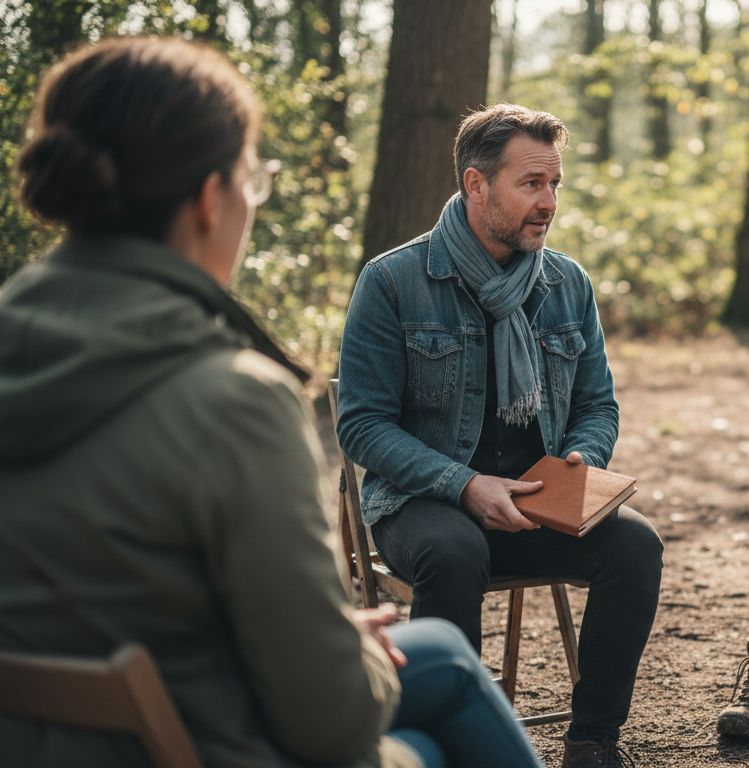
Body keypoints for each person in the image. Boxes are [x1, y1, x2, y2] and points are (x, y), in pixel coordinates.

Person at [0, 37, 541, 768]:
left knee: (441, 645)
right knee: (421, 741)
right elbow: (333, 722)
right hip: (190, 742)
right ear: (207, 199)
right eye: (253, 178)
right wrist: (352, 650)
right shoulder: (233, 402)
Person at [337, 103, 663, 768]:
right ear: (476, 185)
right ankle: (455, 749)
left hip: (540, 501)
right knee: (455, 554)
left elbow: (598, 404)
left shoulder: (567, 283)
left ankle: (593, 741)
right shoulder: (394, 280)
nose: (548, 202)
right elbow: (361, 424)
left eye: (555, 184)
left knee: (637, 546)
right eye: (531, 184)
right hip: (424, 506)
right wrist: (464, 484)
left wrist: (581, 462)